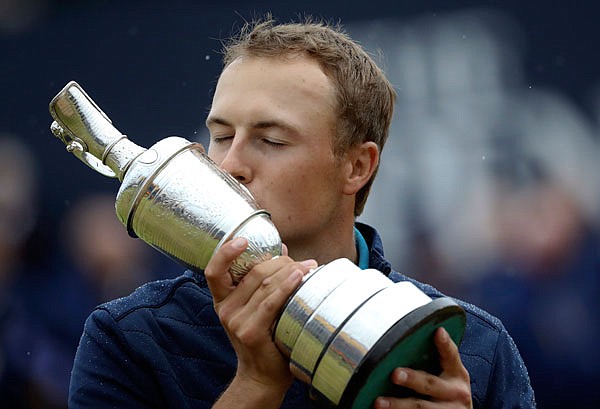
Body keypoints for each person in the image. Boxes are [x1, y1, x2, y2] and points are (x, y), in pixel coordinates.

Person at [68, 17, 536, 409]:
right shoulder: (131, 339)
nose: (231, 166)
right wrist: (254, 386)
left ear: (356, 166)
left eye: (271, 141)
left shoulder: (470, 345)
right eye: (222, 135)